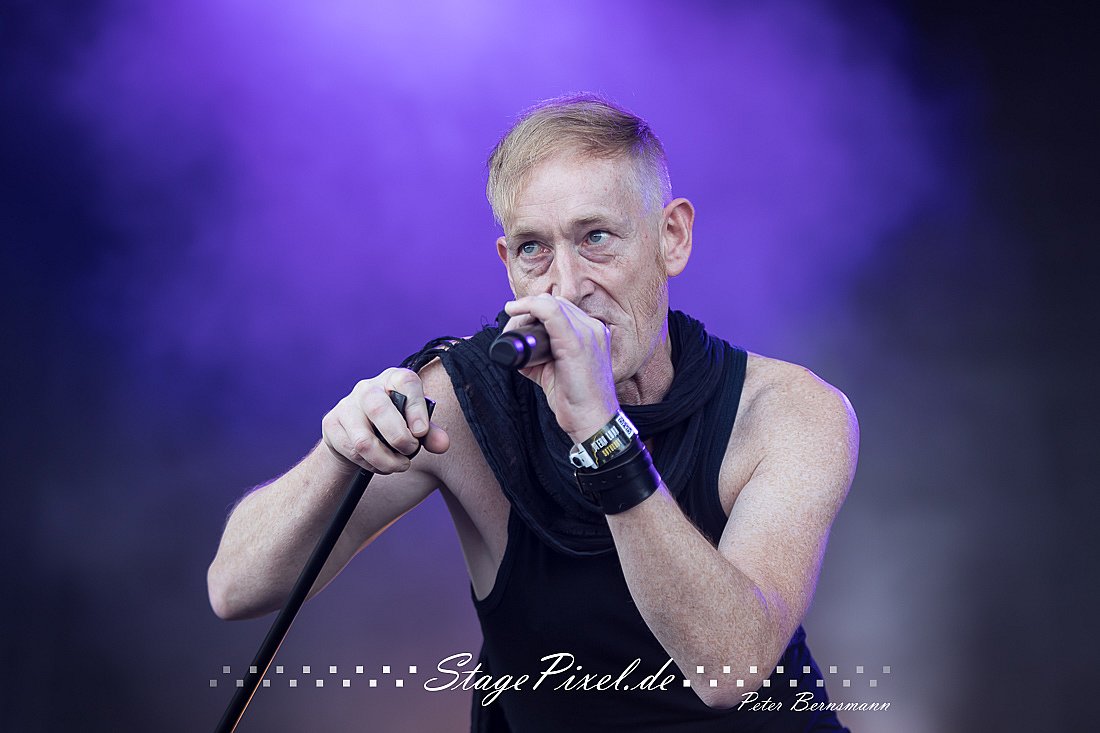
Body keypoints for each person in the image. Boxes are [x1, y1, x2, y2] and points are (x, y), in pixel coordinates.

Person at [208, 93, 859, 732]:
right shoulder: (464, 399)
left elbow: (728, 669)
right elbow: (234, 587)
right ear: (507, 265)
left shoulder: (788, 411)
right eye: (533, 249)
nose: (567, 286)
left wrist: (600, 429)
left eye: (596, 237)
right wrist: (337, 453)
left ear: (673, 237)